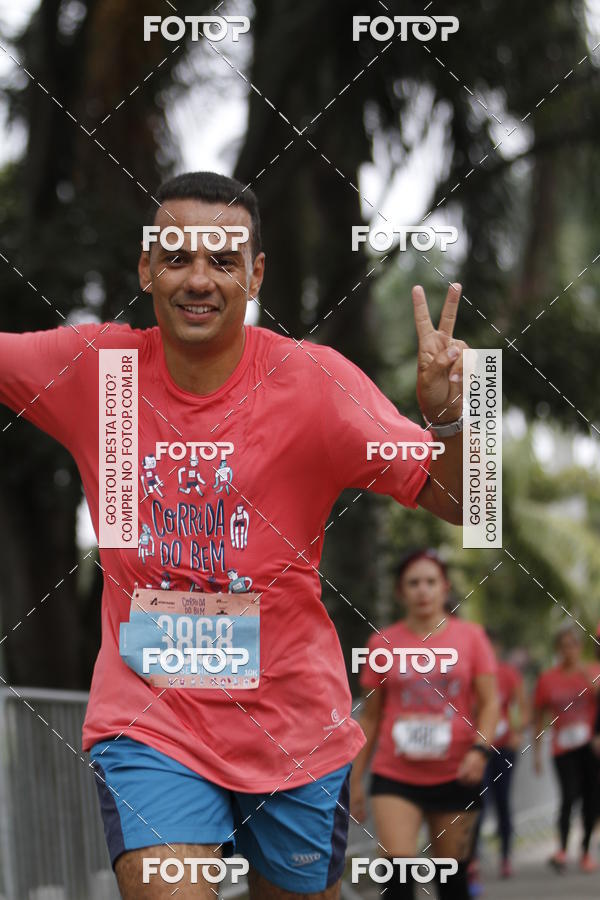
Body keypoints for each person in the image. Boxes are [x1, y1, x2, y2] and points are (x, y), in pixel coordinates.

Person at [0, 172, 470, 899]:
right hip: (152, 722)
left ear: (254, 275)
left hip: (293, 730)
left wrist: (450, 421)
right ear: (147, 267)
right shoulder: (101, 371)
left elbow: (468, 501)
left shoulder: (314, 383)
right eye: (179, 256)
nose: (198, 279)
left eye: (222, 262)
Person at [351, 548, 499, 900]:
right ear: (401, 592)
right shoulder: (381, 643)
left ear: (444, 587)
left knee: (451, 881)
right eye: (413, 583)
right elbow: (370, 717)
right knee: (396, 878)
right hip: (395, 773)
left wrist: (480, 751)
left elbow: (492, 702)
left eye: (431, 582)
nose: (422, 590)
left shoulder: (471, 637)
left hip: (456, 771)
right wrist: (355, 780)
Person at [534, 622, 600, 873]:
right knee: (568, 796)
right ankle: (561, 850)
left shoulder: (593, 670)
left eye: (572, 646)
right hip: (562, 748)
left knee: (591, 798)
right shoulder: (547, 679)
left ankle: (584, 852)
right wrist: (537, 754)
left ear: (580, 648)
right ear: (557, 649)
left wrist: (586, 675)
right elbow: (539, 716)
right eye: (563, 646)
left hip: (590, 746)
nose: (568, 651)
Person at [468, 632, 529, 892]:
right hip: (479, 749)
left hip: (504, 748)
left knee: (503, 801)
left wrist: (516, 732)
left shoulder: (508, 674)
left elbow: (522, 708)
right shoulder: (469, 674)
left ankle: (505, 856)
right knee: (478, 804)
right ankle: (472, 861)